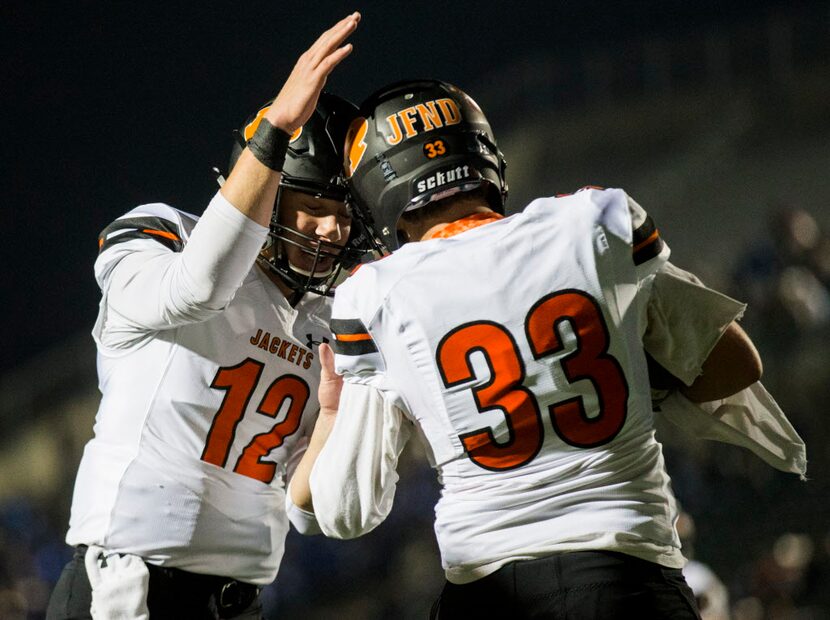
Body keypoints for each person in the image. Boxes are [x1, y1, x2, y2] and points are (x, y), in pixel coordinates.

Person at [288, 79, 768, 619]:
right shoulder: (592, 222)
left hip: (492, 590)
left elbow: (345, 511)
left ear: (380, 183)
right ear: (485, 154)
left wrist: (333, 414)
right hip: (627, 573)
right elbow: (735, 365)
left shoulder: (373, 293)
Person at [46, 12, 363, 619]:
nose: (332, 228)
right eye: (315, 206)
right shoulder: (162, 235)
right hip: (129, 588)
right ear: (271, 187)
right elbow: (197, 290)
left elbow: (307, 507)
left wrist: (329, 416)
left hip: (241, 603)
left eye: (345, 213)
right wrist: (276, 130)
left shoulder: (332, 315)